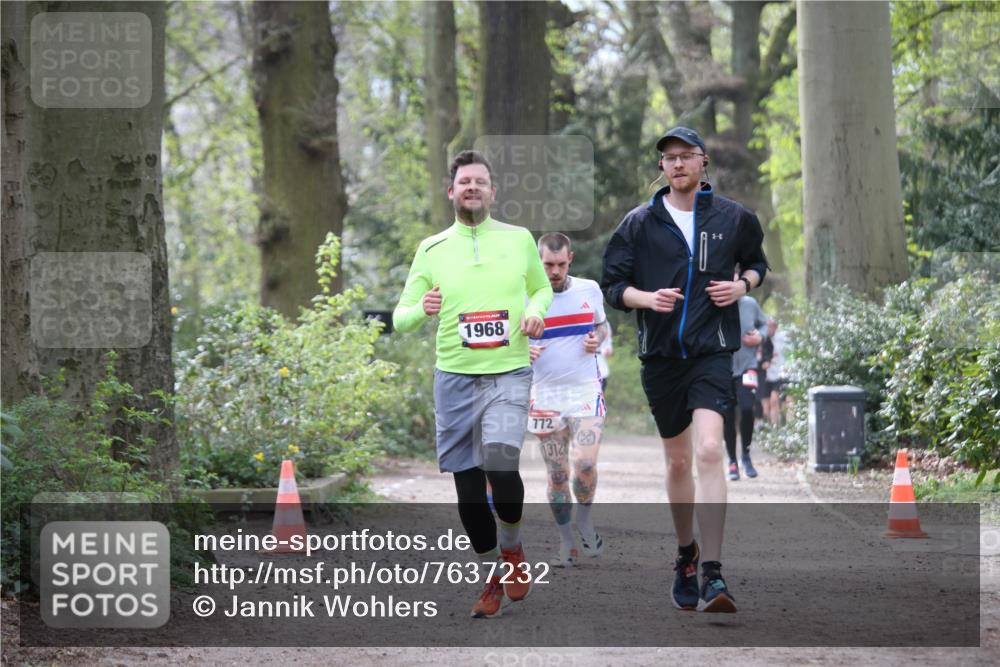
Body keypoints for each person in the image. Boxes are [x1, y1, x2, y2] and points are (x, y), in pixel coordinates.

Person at [601, 126, 768, 613]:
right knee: (677, 462)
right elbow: (615, 285)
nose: (677, 164)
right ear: (661, 168)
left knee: (712, 449)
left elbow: (757, 263)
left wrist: (742, 287)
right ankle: (686, 555)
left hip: (713, 351)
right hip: (660, 358)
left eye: (686, 156)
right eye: (668, 158)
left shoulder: (734, 218)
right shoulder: (638, 223)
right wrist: (646, 299)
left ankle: (714, 574)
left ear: (703, 163)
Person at [392, 150, 553, 618]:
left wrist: (535, 311)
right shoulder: (432, 248)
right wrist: (421, 309)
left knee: (502, 466)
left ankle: (514, 548)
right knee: (467, 492)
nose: (473, 188)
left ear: (493, 191)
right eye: (465, 182)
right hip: (455, 378)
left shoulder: (519, 239)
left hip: (508, 371)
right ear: (451, 191)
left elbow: (541, 288)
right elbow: (401, 316)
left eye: (480, 181)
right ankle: (494, 573)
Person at [527, 233, 609, 567]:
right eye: (547, 264)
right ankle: (566, 542)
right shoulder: (524, 295)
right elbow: (504, 340)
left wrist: (596, 338)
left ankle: (586, 522)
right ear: (537, 261)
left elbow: (603, 326)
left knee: (585, 464)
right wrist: (522, 350)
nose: (554, 271)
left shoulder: (589, 289)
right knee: (557, 475)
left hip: (585, 391)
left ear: (570, 259)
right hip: (544, 396)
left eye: (560, 264)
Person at [723, 293, 768, 480]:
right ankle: (732, 461)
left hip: (748, 366)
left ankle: (746, 456)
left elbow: (764, 325)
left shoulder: (750, 303)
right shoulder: (715, 302)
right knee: (728, 414)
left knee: (748, 408)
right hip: (722, 368)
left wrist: (760, 337)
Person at [764, 318, 789, 426]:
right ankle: (774, 426)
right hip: (767, 375)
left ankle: (782, 424)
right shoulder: (763, 339)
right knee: (770, 403)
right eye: (767, 326)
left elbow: (790, 354)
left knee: (776, 400)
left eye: (771, 326)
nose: (769, 329)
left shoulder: (783, 339)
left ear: (776, 327)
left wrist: (788, 366)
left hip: (780, 374)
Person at [597, 320, 613, 394]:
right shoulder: (582, 322)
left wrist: (607, 351)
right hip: (585, 372)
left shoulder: (605, 324)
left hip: (602, 369)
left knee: (600, 400)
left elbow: (608, 346)